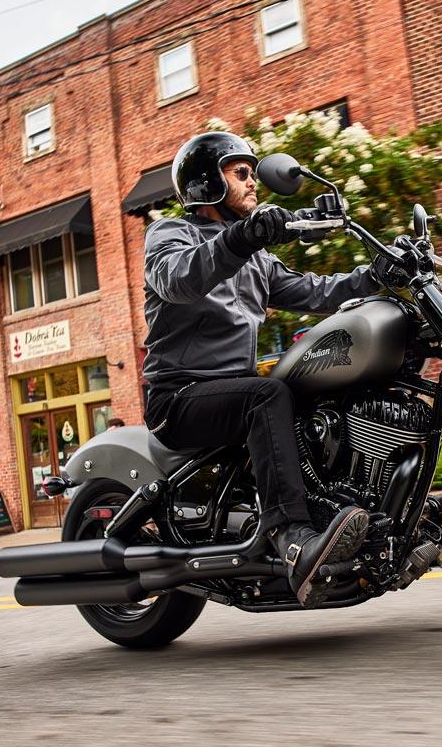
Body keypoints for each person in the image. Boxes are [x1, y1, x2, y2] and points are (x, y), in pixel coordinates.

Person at [142, 131, 385, 608]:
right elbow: (180, 279)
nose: (254, 184)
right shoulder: (171, 234)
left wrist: (376, 275)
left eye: (253, 174)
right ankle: (292, 538)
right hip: (179, 398)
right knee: (267, 393)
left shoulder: (256, 258)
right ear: (207, 183)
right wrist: (242, 237)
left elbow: (314, 291)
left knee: (315, 388)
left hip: (234, 394)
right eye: (241, 174)